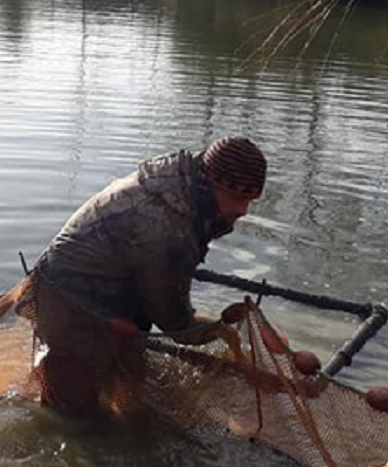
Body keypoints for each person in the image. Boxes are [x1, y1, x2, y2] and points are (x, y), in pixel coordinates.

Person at [31, 136, 268, 416]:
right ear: (212, 184)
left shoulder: (185, 187)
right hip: (70, 301)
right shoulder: (164, 225)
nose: (244, 210)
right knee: (75, 415)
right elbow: (174, 323)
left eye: (250, 200)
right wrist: (217, 330)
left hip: (114, 291)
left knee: (133, 386)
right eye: (239, 198)